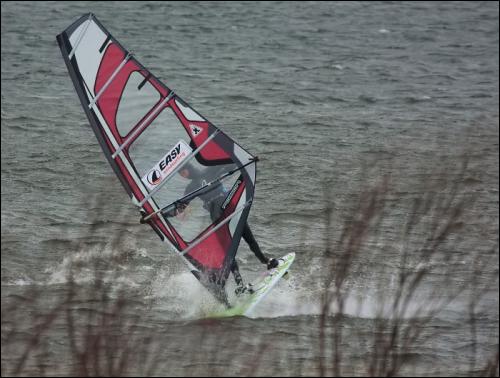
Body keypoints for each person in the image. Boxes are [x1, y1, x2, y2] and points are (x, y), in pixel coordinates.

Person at [166, 162, 279, 295]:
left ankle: (262, 263)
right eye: (181, 174)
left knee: (243, 241)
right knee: (234, 247)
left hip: (224, 213)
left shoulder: (205, 174)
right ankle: (246, 277)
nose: (183, 176)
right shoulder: (195, 184)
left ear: (188, 169)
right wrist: (163, 215)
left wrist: (240, 164)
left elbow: (230, 166)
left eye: (182, 173)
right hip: (225, 213)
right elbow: (180, 209)